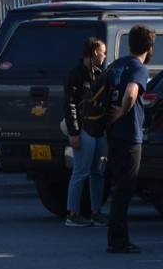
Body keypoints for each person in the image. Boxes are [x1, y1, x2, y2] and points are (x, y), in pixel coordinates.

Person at [104, 25, 156, 255]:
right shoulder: (138, 67)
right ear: (150, 47)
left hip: (113, 133)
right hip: (129, 134)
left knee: (118, 187)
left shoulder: (116, 65)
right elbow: (131, 93)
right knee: (126, 187)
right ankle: (118, 240)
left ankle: (115, 236)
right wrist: (124, 111)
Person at [63, 35, 108, 228]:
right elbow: (69, 104)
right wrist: (74, 132)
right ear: (95, 52)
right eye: (103, 52)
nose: (105, 56)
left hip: (99, 129)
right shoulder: (76, 75)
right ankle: (72, 213)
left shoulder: (99, 75)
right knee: (80, 172)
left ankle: (96, 212)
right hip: (84, 130)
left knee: (97, 172)